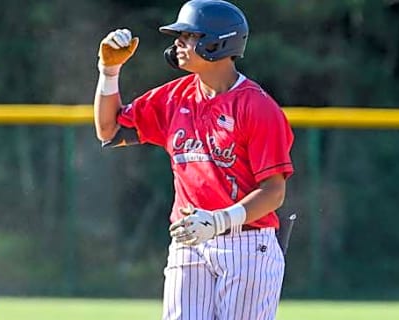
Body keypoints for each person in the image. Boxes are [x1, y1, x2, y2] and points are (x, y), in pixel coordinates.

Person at [93, 1, 294, 319]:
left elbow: (274, 192)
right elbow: (110, 129)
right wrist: (109, 72)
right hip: (188, 241)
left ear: (217, 42)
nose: (178, 43)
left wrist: (218, 220)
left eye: (188, 36)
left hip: (247, 244)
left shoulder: (257, 107)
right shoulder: (175, 98)